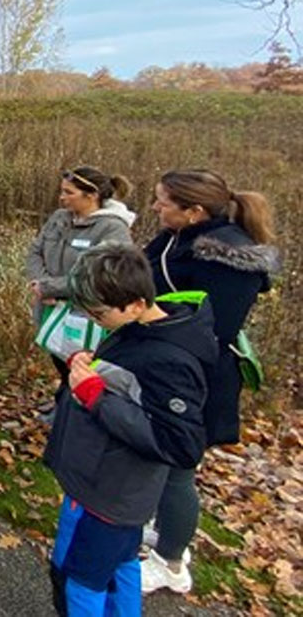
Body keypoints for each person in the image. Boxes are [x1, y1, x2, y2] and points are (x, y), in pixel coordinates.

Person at [45, 244, 216, 616]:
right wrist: (89, 365)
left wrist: (95, 395)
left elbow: (179, 444)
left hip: (112, 492)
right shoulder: (138, 329)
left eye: (99, 312)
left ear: (136, 303)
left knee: (80, 581)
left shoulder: (170, 360)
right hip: (100, 483)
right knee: (121, 566)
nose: (94, 319)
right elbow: (130, 386)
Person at [141, 169, 278, 595]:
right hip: (158, 363)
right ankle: (160, 529)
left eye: (163, 202)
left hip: (197, 376)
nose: (155, 208)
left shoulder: (228, 259)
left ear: (195, 210)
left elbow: (214, 328)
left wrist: (150, 319)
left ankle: (172, 562)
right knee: (156, 459)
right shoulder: (174, 236)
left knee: (179, 467)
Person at [25, 166, 135, 391]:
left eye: (69, 192)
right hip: (51, 307)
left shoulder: (113, 229)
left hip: (85, 313)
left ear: (92, 196)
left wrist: (50, 288)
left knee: (83, 366)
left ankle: (80, 408)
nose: (62, 197)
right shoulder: (59, 218)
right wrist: (40, 284)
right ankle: (63, 403)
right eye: (62, 191)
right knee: (59, 359)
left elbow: (100, 273)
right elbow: (35, 251)